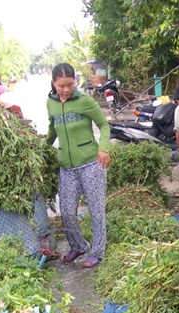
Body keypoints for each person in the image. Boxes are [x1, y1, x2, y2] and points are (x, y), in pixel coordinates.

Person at [46, 62, 111, 268]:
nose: (65, 89)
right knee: (66, 211)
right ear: (53, 84)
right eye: (61, 86)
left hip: (91, 163)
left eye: (70, 84)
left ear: (75, 82)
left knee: (96, 209)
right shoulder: (51, 102)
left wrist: (103, 148)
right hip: (66, 166)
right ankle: (78, 245)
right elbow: (52, 129)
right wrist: (41, 147)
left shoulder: (85, 101)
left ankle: (97, 252)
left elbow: (104, 124)